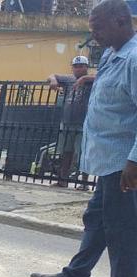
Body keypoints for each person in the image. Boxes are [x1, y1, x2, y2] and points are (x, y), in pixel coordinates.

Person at [30, 0, 137, 277]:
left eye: (98, 28)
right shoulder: (112, 54)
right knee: (98, 222)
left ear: (121, 21)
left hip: (123, 163)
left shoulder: (133, 59)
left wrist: (134, 160)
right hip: (107, 161)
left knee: (122, 229)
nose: (95, 36)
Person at [47, 55, 94, 187]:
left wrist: (85, 78)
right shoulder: (68, 79)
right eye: (76, 66)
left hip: (83, 122)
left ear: (86, 67)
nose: (78, 69)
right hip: (67, 121)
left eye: (81, 66)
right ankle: (63, 180)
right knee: (66, 152)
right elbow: (52, 75)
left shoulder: (91, 81)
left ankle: (83, 182)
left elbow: (103, 77)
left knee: (83, 153)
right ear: (72, 68)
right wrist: (53, 81)